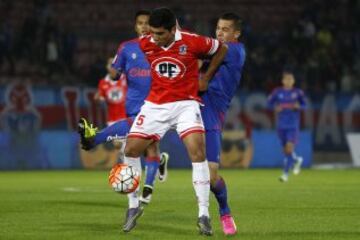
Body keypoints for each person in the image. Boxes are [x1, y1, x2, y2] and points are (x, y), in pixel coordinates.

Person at [121, 7, 227, 235]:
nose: (154, 38)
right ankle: (132, 206)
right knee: (130, 150)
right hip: (155, 106)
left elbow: (221, 49)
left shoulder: (193, 41)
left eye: (159, 34)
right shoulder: (146, 42)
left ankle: (203, 214)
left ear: (172, 29)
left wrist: (205, 77)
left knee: (197, 153)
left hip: (185, 105)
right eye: (152, 33)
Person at [78, 9, 169, 231]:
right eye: (140, 23)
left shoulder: (164, 48)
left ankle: (95, 138)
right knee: (134, 149)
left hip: (158, 106)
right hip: (134, 107)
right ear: (135, 26)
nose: (144, 27)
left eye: (148, 23)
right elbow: (115, 73)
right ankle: (135, 201)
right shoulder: (127, 48)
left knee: (138, 144)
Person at [198, 12, 246, 236]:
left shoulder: (235, 50)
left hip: (212, 112)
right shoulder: (213, 50)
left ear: (236, 33)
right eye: (218, 27)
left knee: (211, 175)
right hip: (189, 105)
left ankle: (225, 211)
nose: (220, 32)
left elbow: (201, 49)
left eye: (226, 29)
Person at [267, 69, 306, 182]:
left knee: (289, 148)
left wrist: (299, 107)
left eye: (291, 79)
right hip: (281, 125)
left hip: (292, 126)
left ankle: (285, 174)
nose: (289, 81)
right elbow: (269, 103)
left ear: (293, 81)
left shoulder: (298, 92)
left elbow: (305, 105)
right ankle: (297, 159)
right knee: (285, 150)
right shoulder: (277, 92)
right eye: (286, 79)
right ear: (283, 81)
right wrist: (275, 107)